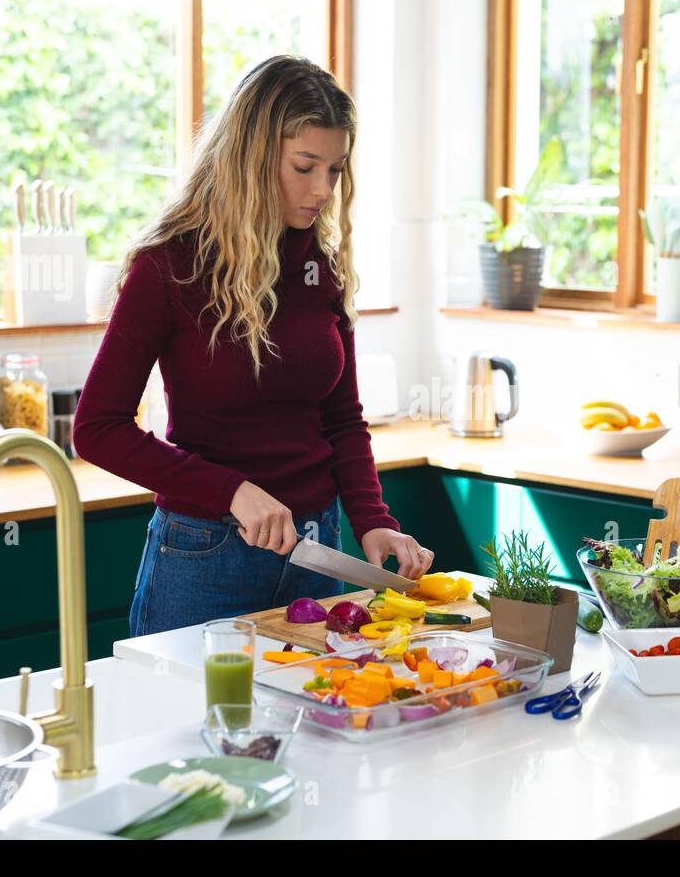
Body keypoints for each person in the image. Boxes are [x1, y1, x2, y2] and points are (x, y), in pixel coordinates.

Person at [74, 55, 433, 637]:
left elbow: (341, 419)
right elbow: (97, 427)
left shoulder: (320, 265)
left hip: (318, 553)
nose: (322, 190)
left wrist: (372, 520)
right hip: (205, 554)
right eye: (304, 166)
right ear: (251, 157)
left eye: (335, 170)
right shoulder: (169, 267)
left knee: (315, 723)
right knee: (182, 724)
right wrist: (231, 491)